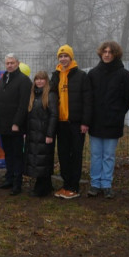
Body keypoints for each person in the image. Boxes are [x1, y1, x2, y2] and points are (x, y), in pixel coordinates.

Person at [87, 41, 129, 199]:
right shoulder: (93, 73)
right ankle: (95, 184)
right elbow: (88, 98)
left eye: (110, 52)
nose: (107, 54)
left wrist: (120, 111)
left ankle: (106, 184)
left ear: (116, 54)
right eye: (105, 52)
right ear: (101, 53)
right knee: (95, 155)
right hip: (95, 121)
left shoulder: (124, 75)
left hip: (113, 121)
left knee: (108, 155)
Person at [50, 44, 92, 199]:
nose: (63, 59)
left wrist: (85, 122)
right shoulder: (55, 75)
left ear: (71, 57)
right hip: (60, 123)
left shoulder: (81, 75)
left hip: (76, 123)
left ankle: (74, 187)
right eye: (60, 56)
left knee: (75, 154)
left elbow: (88, 101)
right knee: (63, 155)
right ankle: (66, 185)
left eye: (66, 56)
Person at [0, 53, 32, 196]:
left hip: (16, 126)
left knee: (17, 155)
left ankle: (17, 183)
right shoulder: (4, 78)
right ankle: (8, 179)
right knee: (8, 153)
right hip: (3, 125)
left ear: (18, 63)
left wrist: (16, 123)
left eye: (12, 63)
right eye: (7, 63)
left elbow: (24, 104)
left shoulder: (24, 81)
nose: (10, 65)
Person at [24, 71, 58, 197]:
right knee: (37, 160)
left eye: (42, 79)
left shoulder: (50, 94)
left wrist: (50, 134)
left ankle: (41, 188)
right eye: (37, 79)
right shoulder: (33, 95)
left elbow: (54, 115)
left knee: (44, 160)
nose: (39, 81)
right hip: (33, 134)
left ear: (46, 80)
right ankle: (46, 185)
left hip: (44, 134)